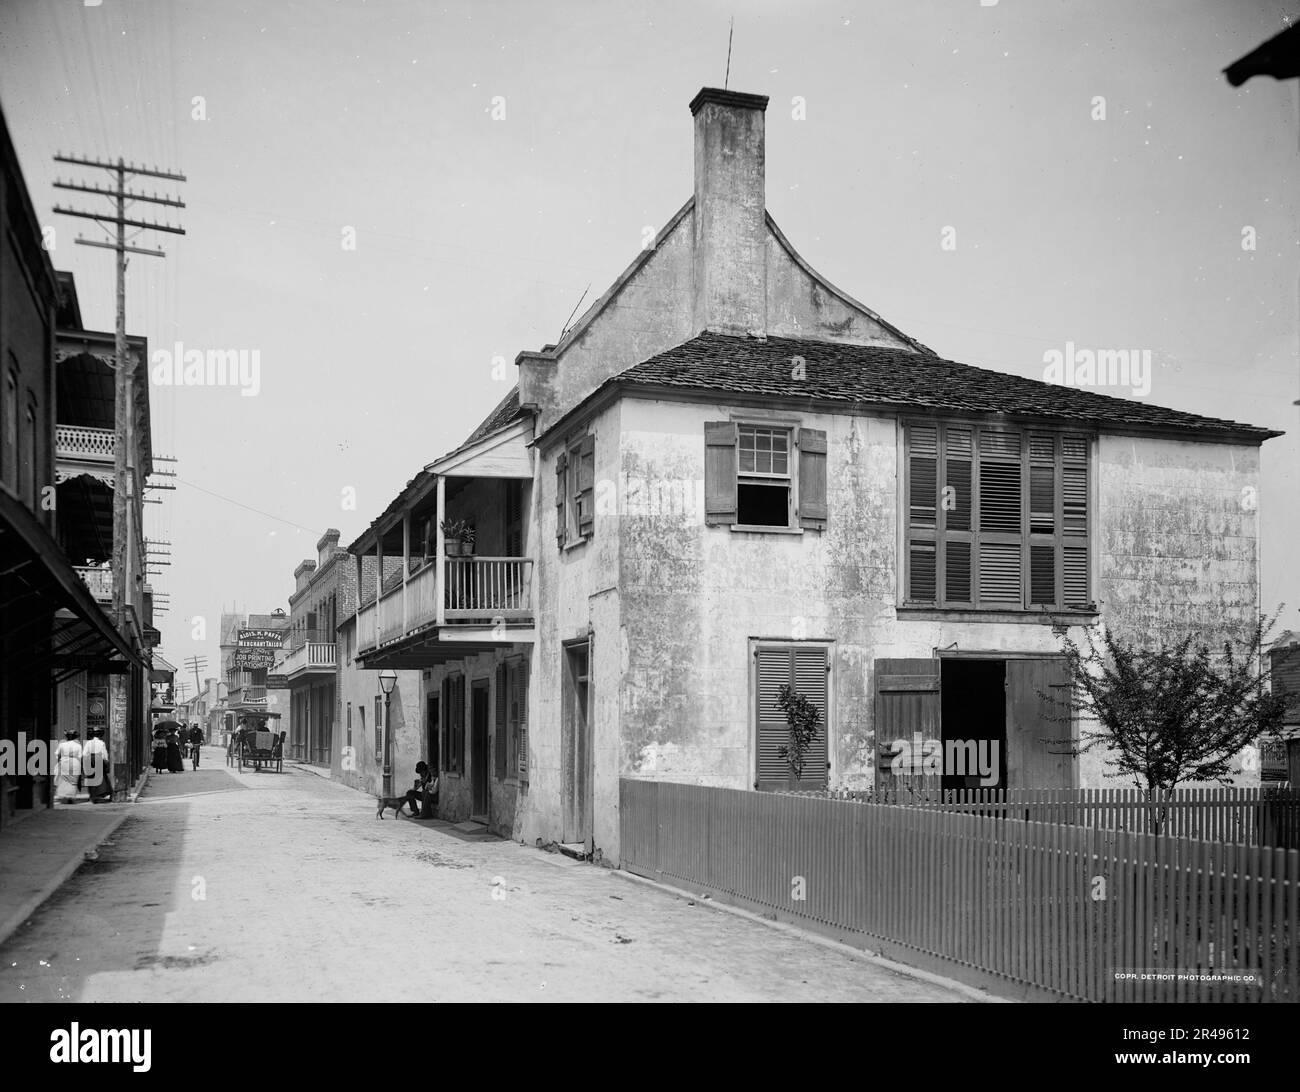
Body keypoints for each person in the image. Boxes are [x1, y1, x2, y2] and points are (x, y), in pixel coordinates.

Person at [82, 728, 113, 803]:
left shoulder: (88, 743)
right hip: (99, 759)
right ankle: (100, 793)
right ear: (100, 735)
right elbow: (104, 754)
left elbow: (84, 754)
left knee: (91, 776)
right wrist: (106, 761)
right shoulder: (101, 743)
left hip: (90, 760)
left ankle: (92, 795)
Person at [54, 730, 82, 803]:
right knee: (73, 780)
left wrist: (59, 761)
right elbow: (80, 756)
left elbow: (57, 754)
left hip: (64, 762)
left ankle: (65, 796)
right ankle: (71, 796)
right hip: (75, 763)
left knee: (65, 780)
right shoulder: (78, 746)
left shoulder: (62, 745)